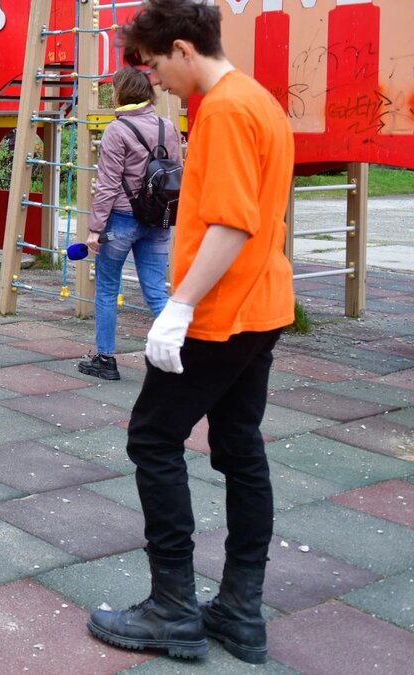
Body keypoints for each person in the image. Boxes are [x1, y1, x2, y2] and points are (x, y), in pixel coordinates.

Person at [87, 0, 294, 665]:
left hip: (222, 313)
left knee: (153, 436)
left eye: (152, 67)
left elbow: (232, 223)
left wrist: (178, 305)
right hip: (262, 305)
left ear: (182, 48)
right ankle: (239, 610)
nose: (153, 82)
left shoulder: (228, 110)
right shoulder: (256, 99)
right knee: (239, 447)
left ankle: (173, 606)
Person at [77, 66, 179, 381]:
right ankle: (185, 354)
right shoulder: (169, 127)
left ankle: (105, 359)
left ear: (121, 93)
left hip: (122, 218)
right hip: (159, 218)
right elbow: (176, 173)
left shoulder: (117, 131)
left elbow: (107, 184)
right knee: (156, 292)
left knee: (107, 288)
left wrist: (95, 228)